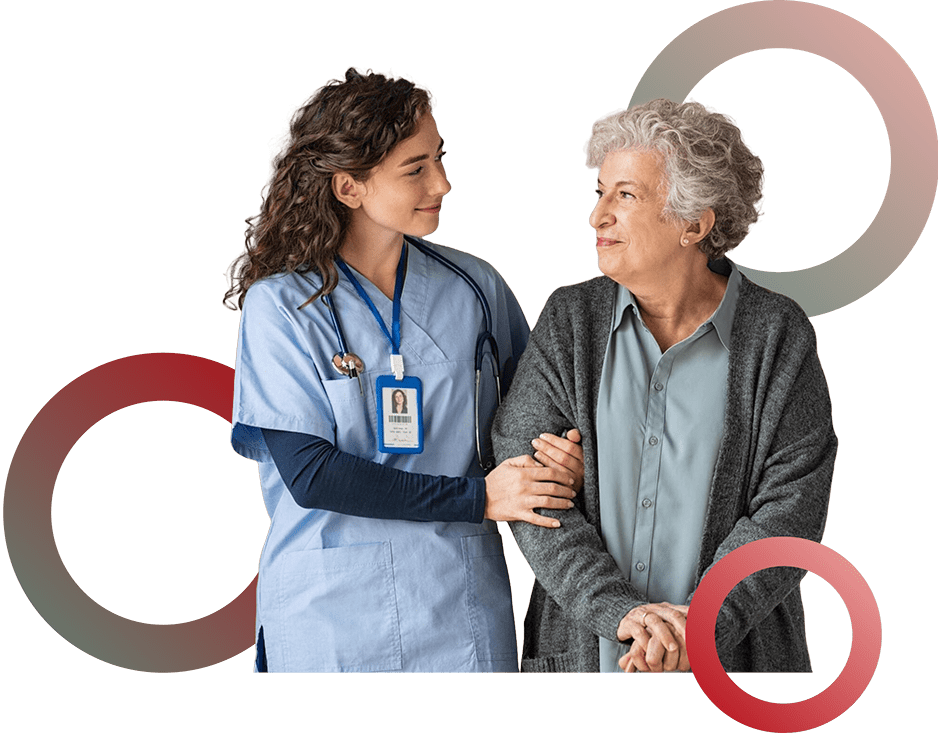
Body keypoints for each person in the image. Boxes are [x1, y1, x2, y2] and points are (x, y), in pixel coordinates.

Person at [223, 68, 584, 673]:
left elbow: (536, 416)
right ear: (349, 187)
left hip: (458, 605)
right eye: (414, 169)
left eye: (439, 159)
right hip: (329, 614)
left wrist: (559, 458)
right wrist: (480, 499)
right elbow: (312, 475)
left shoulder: (475, 289)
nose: (442, 183)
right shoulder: (282, 306)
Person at [492, 99, 837, 673]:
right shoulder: (570, 319)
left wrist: (701, 626)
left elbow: (791, 509)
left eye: (625, 196)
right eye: (599, 192)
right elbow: (530, 492)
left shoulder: (777, 334)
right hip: (584, 658)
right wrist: (620, 613)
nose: (597, 216)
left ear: (695, 223)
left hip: (737, 666)